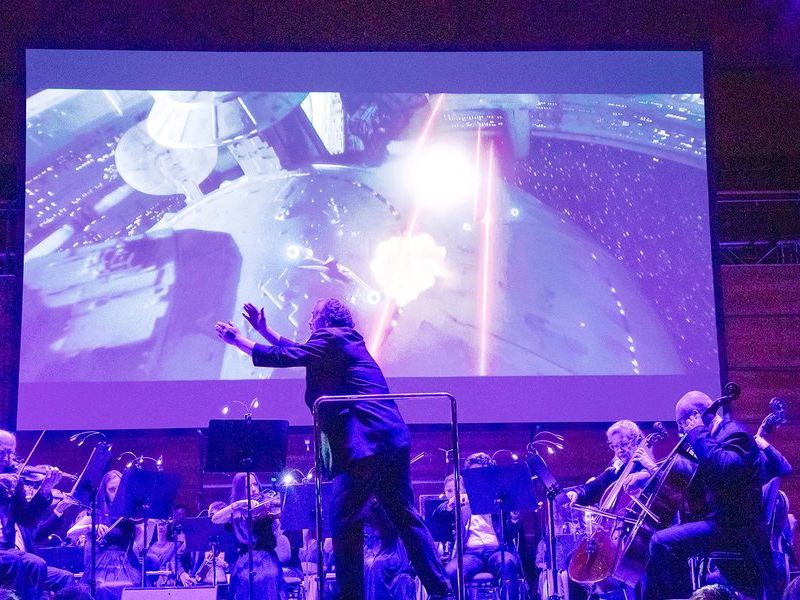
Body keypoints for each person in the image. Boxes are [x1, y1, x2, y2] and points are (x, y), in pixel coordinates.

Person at [216, 298, 453, 600]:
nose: (309, 321)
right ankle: (442, 591)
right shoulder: (340, 342)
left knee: (344, 521)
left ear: (327, 320)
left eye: (314, 315)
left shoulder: (331, 338)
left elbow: (290, 355)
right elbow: (300, 351)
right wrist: (265, 330)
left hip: (365, 444)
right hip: (389, 439)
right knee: (405, 517)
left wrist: (238, 341)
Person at [643, 391, 774, 599]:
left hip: (735, 527)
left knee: (662, 542)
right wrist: (649, 474)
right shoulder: (710, 438)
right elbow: (689, 478)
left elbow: (727, 467)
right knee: (653, 544)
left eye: (681, 423)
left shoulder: (734, 433)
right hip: (719, 522)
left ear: (695, 416)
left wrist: (697, 432)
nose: (681, 430)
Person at [432, 452, 521, 600]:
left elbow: (510, 534)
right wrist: (449, 505)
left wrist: (514, 518)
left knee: (508, 563)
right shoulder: (463, 496)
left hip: (497, 550)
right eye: (473, 473)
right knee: (450, 573)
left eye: (481, 472)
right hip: (470, 554)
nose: (478, 476)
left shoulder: (500, 497)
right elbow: (437, 516)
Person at [0, 429, 66, 600]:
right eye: (1, 453)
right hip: (7, 556)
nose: (7, 459)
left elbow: (26, 519)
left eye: (10, 453)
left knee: (37, 563)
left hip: (5, 548)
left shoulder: (13, 480)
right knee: (14, 562)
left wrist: (44, 490)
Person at [211, 472, 287, 600]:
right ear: (239, 490)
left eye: (255, 484)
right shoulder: (236, 513)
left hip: (267, 558)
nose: (253, 489)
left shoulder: (267, 505)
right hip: (245, 559)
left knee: (269, 577)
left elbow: (278, 531)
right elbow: (215, 518)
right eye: (248, 486)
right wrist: (239, 504)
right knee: (244, 580)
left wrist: (276, 521)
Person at [68, 470, 141, 600]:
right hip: (102, 564)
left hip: (127, 563)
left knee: (134, 586)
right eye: (112, 489)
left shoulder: (129, 514)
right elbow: (70, 533)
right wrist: (92, 527)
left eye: (119, 489)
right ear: (105, 492)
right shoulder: (97, 513)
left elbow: (140, 542)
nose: (116, 493)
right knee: (101, 588)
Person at [564, 420, 656, 508]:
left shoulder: (651, 468)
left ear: (638, 442)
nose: (619, 450)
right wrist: (576, 493)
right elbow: (592, 488)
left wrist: (652, 471)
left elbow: (664, 490)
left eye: (624, 444)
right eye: (615, 446)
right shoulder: (614, 473)